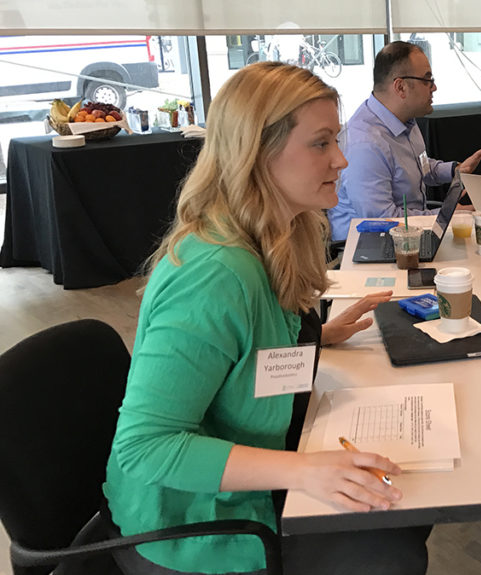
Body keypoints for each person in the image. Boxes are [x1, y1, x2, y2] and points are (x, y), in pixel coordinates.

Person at [104, 62, 431, 575]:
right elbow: (145, 447)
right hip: (198, 524)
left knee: (402, 511)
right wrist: (304, 471)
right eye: (321, 143)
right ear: (257, 153)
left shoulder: (279, 234)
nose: (341, 160)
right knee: (391, 548)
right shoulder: (213, 273)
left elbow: (240, 349)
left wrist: (319, 335)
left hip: (259, 471)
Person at [328, 41, 481, 240]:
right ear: (400, 87)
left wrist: (455, 170)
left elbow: (420, 167)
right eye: (427, 80)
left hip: (408, 236)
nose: (434, 87)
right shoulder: (365, 144)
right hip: (366, 247)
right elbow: (383, 221)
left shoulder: (407, 121)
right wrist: (446, 216)